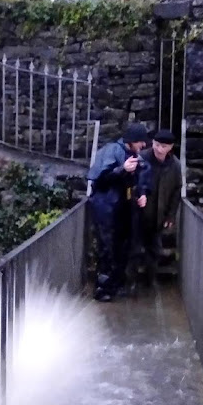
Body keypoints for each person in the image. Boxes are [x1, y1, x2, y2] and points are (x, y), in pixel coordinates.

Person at [87, 123, 151, 302]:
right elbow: (98, 179)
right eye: (140, 142)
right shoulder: (111, 151)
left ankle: (115, 285)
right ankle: (102, 289)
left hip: (124, 210)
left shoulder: (134, 155)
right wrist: (122, 169)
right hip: (106, 209)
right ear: (131, 141)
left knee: (123, 248)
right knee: (107, 248)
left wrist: (143, 194)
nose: (143, 146)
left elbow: (142, 177)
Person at [136, 129, 182, 285]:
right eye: (156, 145)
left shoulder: (175, 165)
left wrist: (170, 215)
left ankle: (150, 279)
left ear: (170, 147)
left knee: (154, 249)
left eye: (163, 146)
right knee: (133, 248)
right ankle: (130, 280)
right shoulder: (142, 158)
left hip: (159, 215)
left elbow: (177, 190)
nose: (159, 149)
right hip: (139, 212)